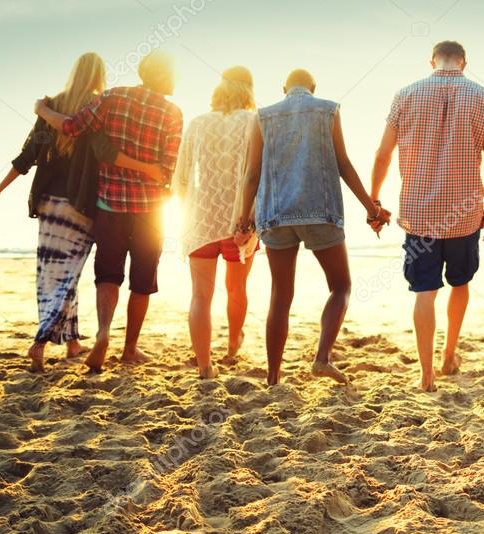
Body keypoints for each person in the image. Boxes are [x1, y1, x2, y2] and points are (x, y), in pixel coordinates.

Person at [0, 52, 165, 373]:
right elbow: (105, 152)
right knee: (70, 274)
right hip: (82, 204)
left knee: (53, 273)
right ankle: (39, 343)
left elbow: (27, 157)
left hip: (49, 204)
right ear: (98, 77)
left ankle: (72, 342)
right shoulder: (98, 108)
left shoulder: (51, 104)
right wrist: (150, 170)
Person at [234, 69, 390, 386]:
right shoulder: (328, 109)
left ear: (283, 88)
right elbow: (343, 163)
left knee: (280, 295)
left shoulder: (262, 116)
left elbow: (252, 174)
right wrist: (371, 208)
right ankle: (322, 358)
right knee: (341, 286)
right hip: (321, 212)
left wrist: (243, 219)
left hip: (275, 215)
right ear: (313, 88)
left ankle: (273, 377)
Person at [34, 50, 183, 373]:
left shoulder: (112, 97)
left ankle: (103, 333)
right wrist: (152, 172)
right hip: (150, 210)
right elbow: (168, 167)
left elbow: (72, 127)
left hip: (110, 205)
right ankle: (129, 348)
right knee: (142, 280)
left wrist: (43, 109)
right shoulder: (172, 112)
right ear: (164, 76)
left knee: (108, 274)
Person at [370, 41, 484, 392]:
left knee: (424, 291)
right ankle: (449, 354)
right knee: (460, 283)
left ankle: (426, 374)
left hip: (419, 213)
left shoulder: (405, 95)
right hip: (465, 213)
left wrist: (374, 198)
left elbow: (383, 152)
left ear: (432, 61)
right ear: (464, 62)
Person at [173, 66, 259, 379]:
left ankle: (205, 366)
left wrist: (189, 212)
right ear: (248, 90)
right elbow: (258, 175)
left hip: (201, 223)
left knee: (200, 295)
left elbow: (180, 179)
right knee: (236, 289)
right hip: (240, 224)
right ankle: (234, 343)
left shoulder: (197, 124)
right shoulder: (254, 122)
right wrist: (253, 219)